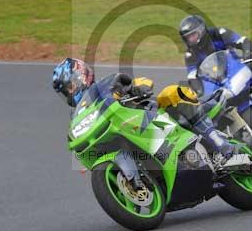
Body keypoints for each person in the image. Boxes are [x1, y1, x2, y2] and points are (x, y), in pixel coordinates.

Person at [52, 58, 238, 167]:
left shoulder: (106, 84)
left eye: (71, 86)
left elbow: (133, 83)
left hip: (154, 116)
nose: (70, 92)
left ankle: (219, 143)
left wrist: (136, 87)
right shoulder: (78, 116)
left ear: (82, 76)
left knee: (172, 92)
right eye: (66, 91)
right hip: (130, 138)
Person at [179, 15, 252, 110]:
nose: (191, 39)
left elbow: (241, 41)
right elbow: (192, 76)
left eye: (193, 35)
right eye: (188, 37)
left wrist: (247, 52)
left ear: (201, 30)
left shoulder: (218, 33)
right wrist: (199, 91)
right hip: (216, 79)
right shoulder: (190, 54)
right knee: (215, 106)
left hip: (236, 66)